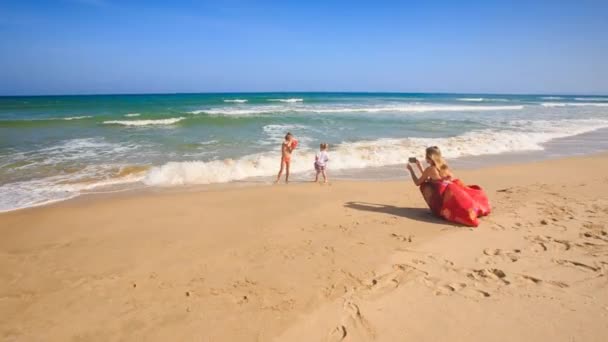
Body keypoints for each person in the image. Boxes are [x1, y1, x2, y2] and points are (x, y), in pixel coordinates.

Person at [406, 146, 491, 227]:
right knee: (428, 183)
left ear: (429, 157)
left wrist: (411, 170)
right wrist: (420, 166)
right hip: (445, 194)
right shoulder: (443, 166)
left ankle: (440, 211)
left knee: (424, 185)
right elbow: (431, 178)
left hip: (440, 201)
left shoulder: (430, 170)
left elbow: (418, 182)